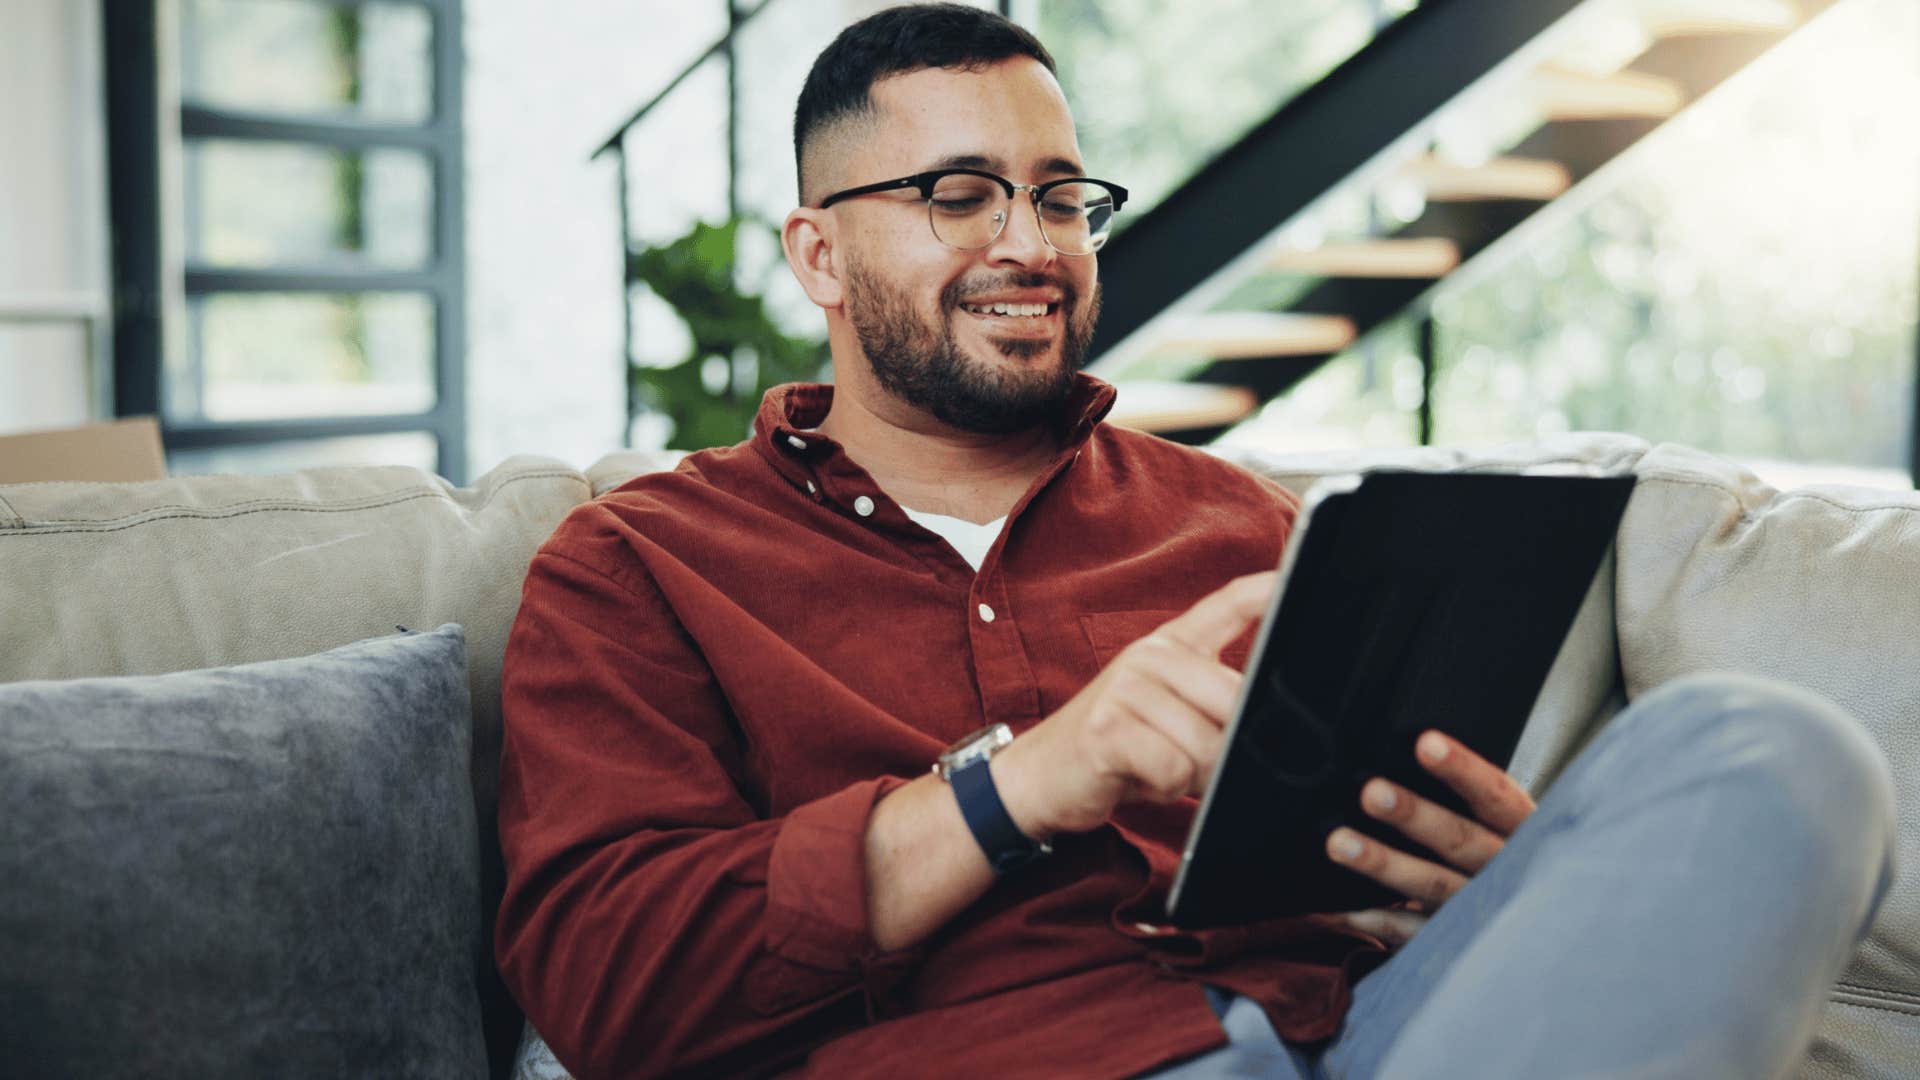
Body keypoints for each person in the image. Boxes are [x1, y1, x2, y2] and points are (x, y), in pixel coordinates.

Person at [494, 5, 1896, 1077]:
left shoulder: (1251, 526)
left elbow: (1391, 880)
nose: (1029, 242)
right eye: (958, 194)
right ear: (818, 257)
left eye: (1058, 195)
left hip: (1362, 1036)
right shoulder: (638, 567)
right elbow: (611, 984)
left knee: (1774, 749)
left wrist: (1482, 890)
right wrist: (1027, 784)